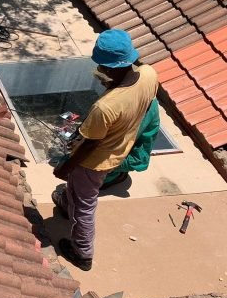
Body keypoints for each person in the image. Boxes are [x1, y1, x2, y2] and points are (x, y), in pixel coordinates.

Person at [51, 29, 158, 271]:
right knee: (78, 195)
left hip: (93, 164)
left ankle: (82, 253)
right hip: (119, 149)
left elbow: (90, 144)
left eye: (102, 68)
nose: (100, 73)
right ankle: (67, 204)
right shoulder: (149, 74)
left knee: (85, 206)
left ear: (110, 68)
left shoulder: (106, 106)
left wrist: (66, 167)